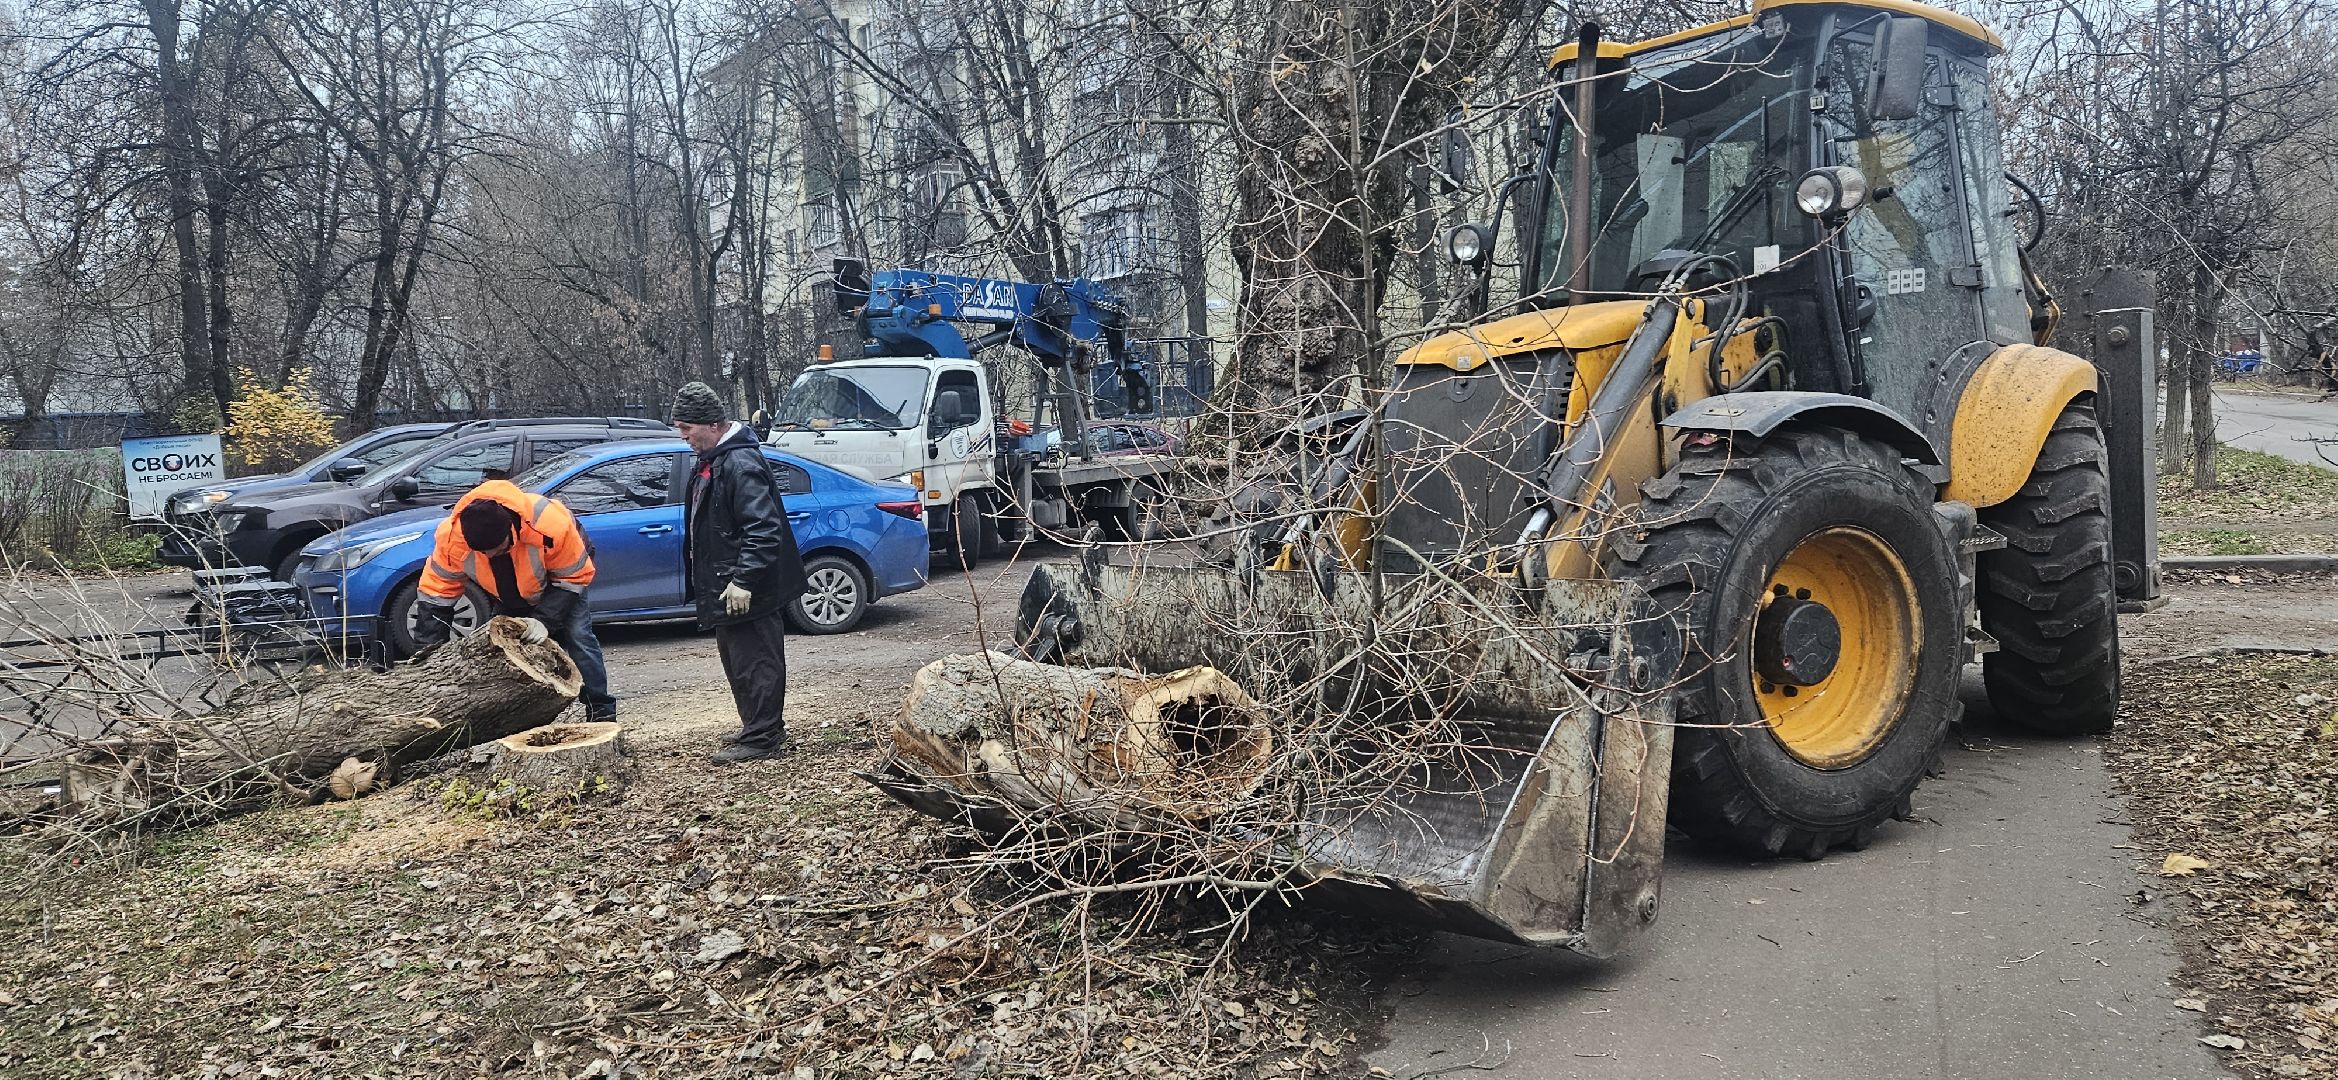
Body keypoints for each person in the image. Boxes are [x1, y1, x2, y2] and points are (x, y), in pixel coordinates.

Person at [672, 381, 807, 763]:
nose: (683, 437)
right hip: (728, 582)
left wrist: (743, 580)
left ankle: (763, 737)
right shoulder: (718, 458)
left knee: (755, 661)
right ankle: (757, 727)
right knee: (739, 660)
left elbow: (763, 528)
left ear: (713, 424)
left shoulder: (739, 462)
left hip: (748, 586)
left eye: (687, 428)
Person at [412, 480, 618, 723]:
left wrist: (544, 621)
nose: (489, 557)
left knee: (578, 636)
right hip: (508, 590)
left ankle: (601, 710)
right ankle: (513, 718)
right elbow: (436, 596)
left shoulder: (550, 524)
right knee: (494, 649)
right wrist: (427, 657)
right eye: (483, 553)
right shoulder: (451, 540)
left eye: (496, 551)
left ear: (511, 529)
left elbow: (572, 578)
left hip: (561, 582)